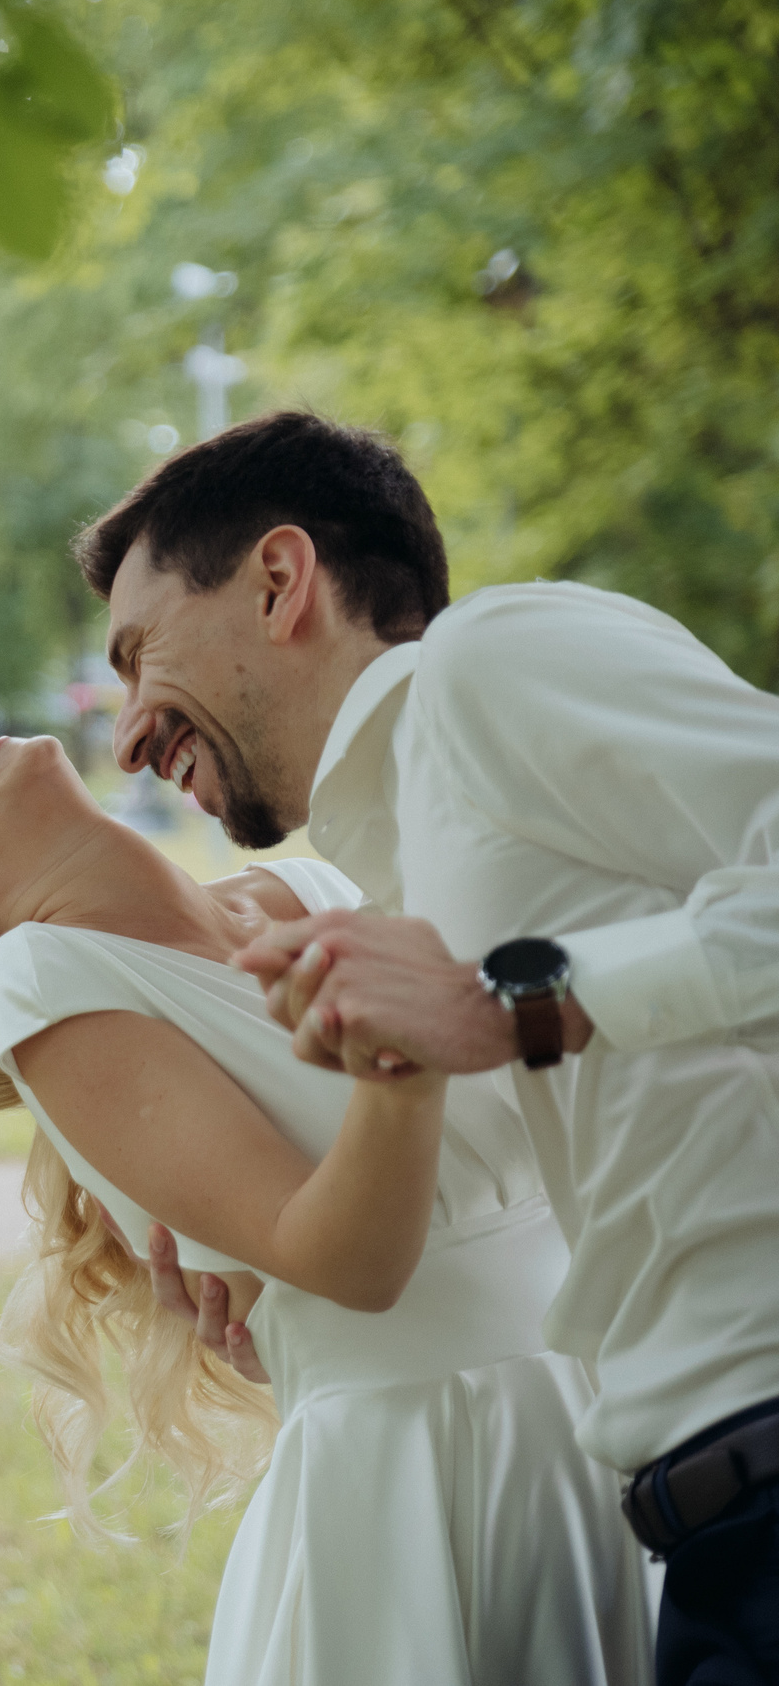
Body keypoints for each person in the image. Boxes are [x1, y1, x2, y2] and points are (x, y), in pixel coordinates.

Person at [85, 409, 779, 1684]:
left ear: (280, 579)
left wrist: (527, 1002)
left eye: (140, 655)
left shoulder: (488, 664)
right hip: (699, 1530)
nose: (127, 730)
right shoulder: (407, 858)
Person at [0, 727, 649, 1683]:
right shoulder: (43, 979)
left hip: (593, 1411)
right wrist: (399, 1053)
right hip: (426, 1476)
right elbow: (344, 1263)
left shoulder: (307, 891)